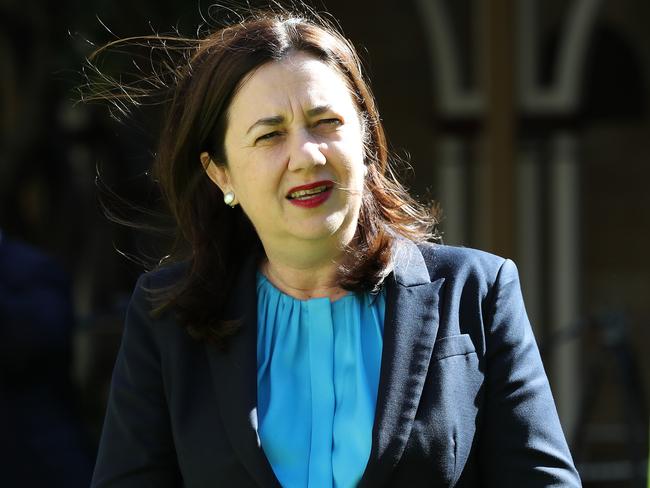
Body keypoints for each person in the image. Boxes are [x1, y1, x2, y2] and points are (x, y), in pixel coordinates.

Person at [89, 6, 582, 488]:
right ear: (220, 172)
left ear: (365, 139)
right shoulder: (168, 320)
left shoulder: (475, 292)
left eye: (326, 122)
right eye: (270, 135)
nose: (306, 155)